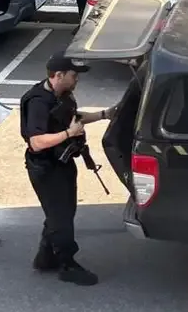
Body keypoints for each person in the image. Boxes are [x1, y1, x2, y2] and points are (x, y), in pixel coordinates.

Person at [20, 53, 116, 286]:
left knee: (61, 212)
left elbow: (73, 118)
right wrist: (68, 134)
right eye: (74, 75)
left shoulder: (62, 95)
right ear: (59, 75)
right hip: (45, 168)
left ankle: (45, 257)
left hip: (62, 163)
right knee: (61, 217)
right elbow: (36, 142)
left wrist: (105, 114)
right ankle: (67, 264)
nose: (77, 79)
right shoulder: (38, 102)